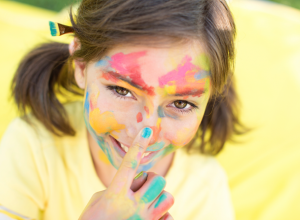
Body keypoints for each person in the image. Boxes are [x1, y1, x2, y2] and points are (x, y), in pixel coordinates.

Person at [0, 0, 246, 219]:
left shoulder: (204, 188)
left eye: (181, 104)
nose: (145, 130)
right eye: (121, 90)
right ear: (82, 66)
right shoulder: (33, 147)